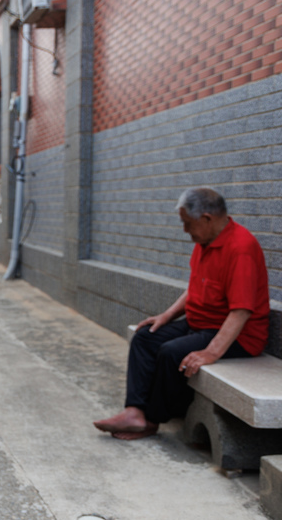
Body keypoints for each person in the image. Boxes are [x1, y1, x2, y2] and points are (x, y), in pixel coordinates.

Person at [94, 187, 269, 440]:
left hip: (237, 336)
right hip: (201, 324)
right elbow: (195, 288)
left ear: (207, 219)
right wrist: (166, 316)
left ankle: (150, 420)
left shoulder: (240, 248)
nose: (185, 230)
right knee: (145, 336)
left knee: (171, 352)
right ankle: (134, 411)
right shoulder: (204, 242)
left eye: (187, 224)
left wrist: (211, 352)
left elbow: (240, 312)